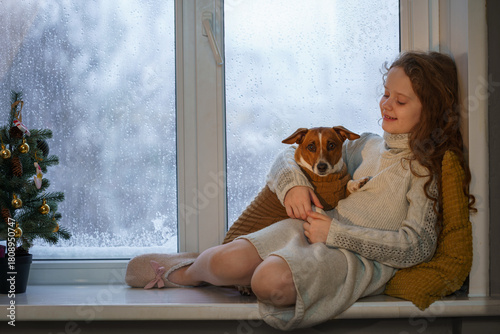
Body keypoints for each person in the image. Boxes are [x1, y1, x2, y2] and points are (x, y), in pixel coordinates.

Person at [126, 51, 476, 330]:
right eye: (385, 94)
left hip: (353, 258)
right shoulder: (368, 146)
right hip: (312, 227)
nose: (386, 105)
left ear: (430, 110)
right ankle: (188, 271)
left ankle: (241, 273)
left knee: (270, 283)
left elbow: (417, 247)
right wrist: (293, 185)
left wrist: (337, 234)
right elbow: (289, 154)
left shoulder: (427, 168)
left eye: (400, 101)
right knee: (223, 259)